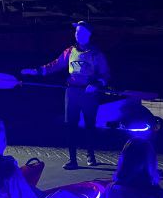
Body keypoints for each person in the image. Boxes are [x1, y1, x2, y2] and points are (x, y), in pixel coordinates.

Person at [22, 20, 110, 170]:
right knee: (71, 125)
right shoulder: (69, 52)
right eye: (76, 31)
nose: (77, 34)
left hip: (89, 94)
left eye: (81, 32)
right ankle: (73, 160)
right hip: (72, 92)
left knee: (90, 125)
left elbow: (105, 75)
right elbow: (54, 65)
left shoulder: (96, 54)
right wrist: (36, 71)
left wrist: (95, 85)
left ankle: (91, 155)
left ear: (88, 34)